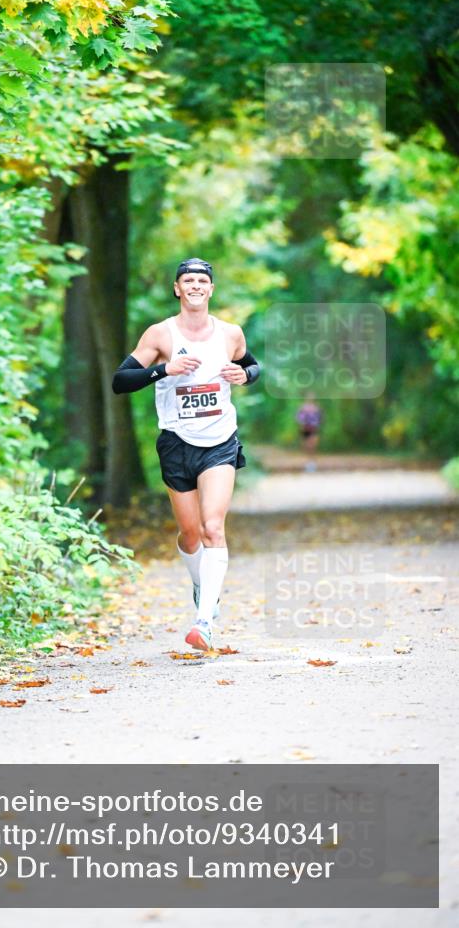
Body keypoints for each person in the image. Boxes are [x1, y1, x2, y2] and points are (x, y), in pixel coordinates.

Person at [112, 258, 260, 651]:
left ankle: (204, 620)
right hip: (177, 442)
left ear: (211, 289)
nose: (195, 285)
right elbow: (120, 381)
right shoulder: (160, 334)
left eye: (202, 280)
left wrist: (245, 375)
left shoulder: (230, 334)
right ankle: (202, 586)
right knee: (191, 533)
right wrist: (164, 371)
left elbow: (252, 365)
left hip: (220, 440)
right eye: (187, 280)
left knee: (214, 528)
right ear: (177, 289)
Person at [296, 393, 322, 471]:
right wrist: (302, 426)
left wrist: (316, 425)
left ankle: (312, 463)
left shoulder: (317, 408)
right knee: (307, 447)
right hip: (305, 430)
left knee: (313, 446)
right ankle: (308, 462)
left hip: (313, 430)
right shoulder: (302, 408)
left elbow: (319, 419)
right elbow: (299, 418)